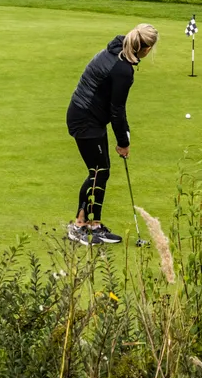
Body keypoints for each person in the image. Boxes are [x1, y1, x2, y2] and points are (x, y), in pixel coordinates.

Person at [65, 23, 158, 246]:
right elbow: (117, 110)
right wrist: (123, 142)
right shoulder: (123, 70)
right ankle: (78, 226)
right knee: (97, 172)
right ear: (145, 49)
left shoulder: (117, 49)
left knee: (102, 172)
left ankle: (94, 225)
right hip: (85, 119)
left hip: (90, 117)